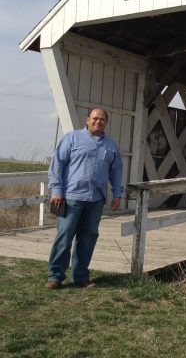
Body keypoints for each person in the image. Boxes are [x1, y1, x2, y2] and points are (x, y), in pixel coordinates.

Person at [46, 108, 123, 288]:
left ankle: (80, 277)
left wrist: (117, 194)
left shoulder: (110, 145)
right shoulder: (72, 138)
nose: (98, 121)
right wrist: (56, 191)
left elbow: (117, 170)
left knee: (87, 237)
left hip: (96, 200)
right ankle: (55, 277)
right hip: (71, 197)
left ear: (106, 122)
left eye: (102, 119)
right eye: (95, 118)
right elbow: (57, 164)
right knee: (64, 236)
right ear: (87, 119)